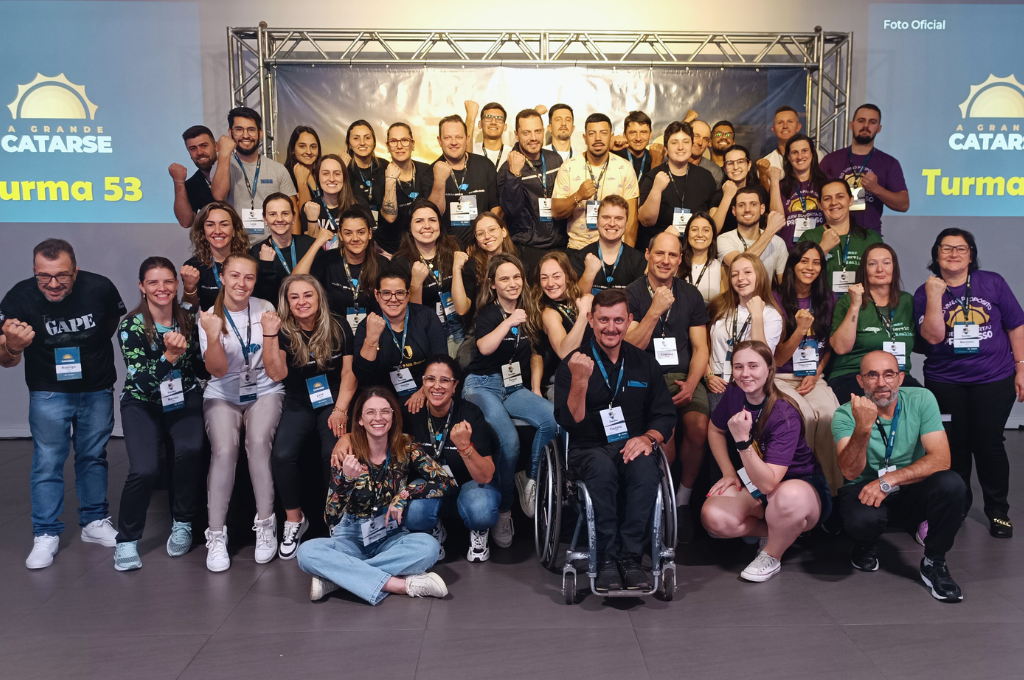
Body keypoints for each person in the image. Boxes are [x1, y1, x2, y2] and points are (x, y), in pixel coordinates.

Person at [0, 239, 125, 569]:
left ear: (76, 271)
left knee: (93, 456)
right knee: (47, 461)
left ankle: (94, 521)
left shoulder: (100, 288)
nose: (53, 284)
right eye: (44, 276)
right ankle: (45, 532)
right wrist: (13, 346)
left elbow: (110, 326)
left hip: (96, 387)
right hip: (49, 391)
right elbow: (5, 359)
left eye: (62, 276)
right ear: (34, 271)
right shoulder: (19, 297)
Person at [554, 289, 676, 592]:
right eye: (604, 320)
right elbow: (569, 421)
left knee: (646, 468)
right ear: (590, 320)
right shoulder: (573, 363)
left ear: (629, 320)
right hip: (589, 448)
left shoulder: (644, 363)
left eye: (619, 320)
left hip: (632, 444)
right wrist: (580, 380)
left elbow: (664, 414)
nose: (611, 327)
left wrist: (648, 438)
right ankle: (606, 558)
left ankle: (630, 558)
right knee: (601, 469)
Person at [297, 388, 457, 604]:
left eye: (385, 411)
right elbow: (330, 518)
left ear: (393, 416)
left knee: (429, 547)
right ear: (360, 419)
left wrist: (404, 494)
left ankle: (338, 578)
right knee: (306, 552)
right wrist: (347, 481)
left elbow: (447, 482)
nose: (378, 418)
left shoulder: (406, 446)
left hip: (390, 534)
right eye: (370, 412)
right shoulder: (346, 453)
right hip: (350, 537)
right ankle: (399, 585)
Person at [833, 350, 967, 603]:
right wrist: (863, 427)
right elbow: (850, 472)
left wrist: (889, 480)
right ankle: (866, 543)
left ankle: (934, 562)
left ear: (900, 378)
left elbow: (941, 459)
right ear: (860, 381)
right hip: (865, 489)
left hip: (907, 487)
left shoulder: (922, 399)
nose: (881, 383)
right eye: (872, 375)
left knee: (952, 484)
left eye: (889, 375)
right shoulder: (844, 413)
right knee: (861, 521)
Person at [915, 229, 1024, 537]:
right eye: (946, 248)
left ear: (971, 254)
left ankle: (998, 511)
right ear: (936, 254)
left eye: (961, 248)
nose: (954, 253)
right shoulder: (925, 292)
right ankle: (958, 506)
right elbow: (932, 337)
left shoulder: (992, 282)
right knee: (955, 446)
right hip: (945, 381)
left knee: (989, 444)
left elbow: (1016, 326)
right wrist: (934, 296)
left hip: (994, 378)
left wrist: (1022, 368)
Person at [701, 340, 830, 582]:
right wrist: (728, 472)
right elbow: (715, 429)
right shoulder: (735, 392)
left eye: (753, 366)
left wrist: (742, 442)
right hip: (757, 480)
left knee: (787, 496)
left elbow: (769, 484)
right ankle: (780, 532)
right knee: (714, 518)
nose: (745, 373)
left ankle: (771, 554)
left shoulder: (784, 413)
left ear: (769, 369)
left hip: (799, 486)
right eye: (738, 367)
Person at [111, 258, 204, 571]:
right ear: (142, 286)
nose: (161, 288)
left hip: (183, 396)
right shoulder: (131, 326)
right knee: (145, 470)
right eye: (153, 282)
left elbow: (199, 365)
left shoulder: (188, 316)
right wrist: (169, 356)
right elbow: (142, 382)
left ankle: (183, 522)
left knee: (190, 450)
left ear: (176, 284)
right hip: (142, 402)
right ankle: (126, 539)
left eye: (167, 281)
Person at [197, 254, 285, 572]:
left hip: (264, 389)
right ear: (222, 277)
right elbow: (218, 370)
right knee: (224, 450)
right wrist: (211, 334)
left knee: (259, 443)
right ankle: (216, 535)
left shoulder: (265, 308)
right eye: (234, 276)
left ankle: (265, 525)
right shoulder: (209, 316)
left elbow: (276, 371)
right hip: (223, 392)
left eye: (249, 277)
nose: (241, 283)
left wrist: (271, 334)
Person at [463, 254, 558, 544]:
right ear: (493, 285)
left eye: (517, 277)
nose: (512, 283)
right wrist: (509, 322)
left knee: (552, 419)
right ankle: (504, 510)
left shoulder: (529, 310)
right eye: (504, 278)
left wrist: (536, 389)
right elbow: (484, 347)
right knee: (509, 442)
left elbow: (536, 355)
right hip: (482, 385)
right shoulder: (488, 314)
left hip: (514, 385)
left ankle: (529, 478)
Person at [264, 274, 355, 559]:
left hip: (334, 399)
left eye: (307, 295)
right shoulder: (282, 330)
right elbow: (276, 373)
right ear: (287, 303)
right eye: (294, 297)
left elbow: (349, 374)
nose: (301, 302)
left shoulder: (338, 324)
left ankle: (337, 518)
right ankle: (295, 520)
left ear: (319, 298)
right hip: (298, 401)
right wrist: (269, 335)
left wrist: (341, 410)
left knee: (333, 453)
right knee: (282, 455)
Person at [625, 232, 711, 536]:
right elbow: (630, 347)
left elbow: (701, 348)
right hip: (645, 379)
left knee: (699, 428)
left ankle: (683, 500)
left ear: (680, 259)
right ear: (647, 254)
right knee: (667, 440)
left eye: (672, 255)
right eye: (659, 253)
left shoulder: (691, 294)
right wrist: (654, 310)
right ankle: (661, 503)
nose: (665, 260)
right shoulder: (633, 293)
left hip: (684, 377)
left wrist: (692, 382)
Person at [402, 355, 500, 562]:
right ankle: (433, 530)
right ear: (423, 383)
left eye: (445, 380)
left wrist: (465, 447)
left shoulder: (470, 414)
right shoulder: (411, 413)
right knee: (413, 514)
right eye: (430, 379)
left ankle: (479, 531)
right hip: (430, 484)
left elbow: (485, 476)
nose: (437, 386)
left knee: (482, 511)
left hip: (468, 483)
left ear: (455, 386)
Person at [772, 242, 843, 494]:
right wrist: (800, 329)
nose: (810, 267)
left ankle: (832, 491)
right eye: (804, 261)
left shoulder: (828, 298)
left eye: (816, 262)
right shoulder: (776, 298)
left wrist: (816, 373)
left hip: (813, 374)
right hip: (781, 376)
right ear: (792, 264)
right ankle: (804, 485)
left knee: (830, 415)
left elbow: (829, 346)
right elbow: (778, 358)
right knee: (804, 417)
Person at [829, 243, 922, 403]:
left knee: (923, 400)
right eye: (872, 264)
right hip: (853, 375)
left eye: (886, 263)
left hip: (897, 377)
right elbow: (841, 347)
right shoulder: (848, 301)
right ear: (864, 270)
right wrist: (855, 306)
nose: (880, 269)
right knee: (872, 404)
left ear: (894, 267)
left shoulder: (907, 301)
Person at [352, 265, 447, 405]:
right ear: (377, 295)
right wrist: (372, 338)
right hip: (383, 396)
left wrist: (424, 391)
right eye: (386, 293)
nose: (393, 299)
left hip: (423, 390)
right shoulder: (367, 325)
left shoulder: (426, 316)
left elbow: (441, 360)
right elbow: (363, 376)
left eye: (400, 293)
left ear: (408, 295)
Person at [705, 253, 785, 412]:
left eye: (747, 272)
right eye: (734, 274)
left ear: (760, 276)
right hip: (717, 381)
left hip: (751, 383)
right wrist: (708, 375)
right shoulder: (718, 306)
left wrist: (756, 316)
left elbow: (762, 357)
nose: (740, 278)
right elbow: (703, 345)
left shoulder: (771, 315)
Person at [393, 200, 471, 356]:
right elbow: (413, 316)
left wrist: (456, 269)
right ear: (409, 227)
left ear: (439, 224)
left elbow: (463, 309)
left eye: (432, 220)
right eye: (419, 221)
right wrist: (416, 283)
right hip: (425, 331)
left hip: (458, 327)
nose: (427, 226)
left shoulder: (456, 248)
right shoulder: (400, 262)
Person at [552, 113, 640, 250]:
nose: (598, 138)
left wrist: (627, 256)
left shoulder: (625, 167)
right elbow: (556, 212)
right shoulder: (569, 167)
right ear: (585, 138)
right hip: (578, 248)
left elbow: (632, 220)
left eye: (603, 133)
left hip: (615, 249)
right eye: (592, 133)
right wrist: (578, 196)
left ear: (610, 136)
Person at [211, 107, 298, 244]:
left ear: (260, 133)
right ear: (230, 133)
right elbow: (219, 197)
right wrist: (224, 153)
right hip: (235, 245)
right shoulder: (221, 165)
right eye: (239, 129)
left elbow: (293, 214)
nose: (245, 135)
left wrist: (295, 248)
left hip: (273, 245)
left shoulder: (278, 169)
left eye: (251, 129)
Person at [819, 104, 909, 236]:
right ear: (851, 125)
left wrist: (876, 189)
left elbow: (904, 205)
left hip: (869, 236)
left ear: (879, 128)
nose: (866, 126)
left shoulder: (889, 163)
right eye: (861, 121)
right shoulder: (830, 160)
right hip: (833, 234)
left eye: (872, 122)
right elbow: (815, 198)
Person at [498, 108, 567, 273]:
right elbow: (511, 210)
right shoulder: (507, 168)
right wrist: (514, 175)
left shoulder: (555, 159)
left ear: (543, 131)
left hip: (559, 246)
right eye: (526, 133)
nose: (533, 138)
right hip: (527, 249)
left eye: (537, 131)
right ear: (517, 135)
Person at [294, 207, 380, 335]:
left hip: (372, 333)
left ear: (370, 233)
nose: (355, 238)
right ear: (340, 234)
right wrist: (317, 243)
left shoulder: (382, 264)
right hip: (333, 333)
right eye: (348, 233)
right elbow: (294, 281)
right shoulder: (328, 260)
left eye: (361, 232)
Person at [637, 121, 717, 251]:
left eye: (686, 142)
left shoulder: (705, 177)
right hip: (661, 250)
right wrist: (657, 189)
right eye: (674, 142)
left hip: (695, 250)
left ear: (691, 145)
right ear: (666, 149)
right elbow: (646, 220)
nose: (681, 147)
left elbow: (713, 220)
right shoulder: (653, 177)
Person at [797, 179, 883, 296]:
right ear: (820, 205)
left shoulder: (870, 238)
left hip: (861, 304)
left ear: (851, 200)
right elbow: (796, 280)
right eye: (827, 199)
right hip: (820, 305)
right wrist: (822, 249)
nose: (834, 202)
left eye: (840, 197)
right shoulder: (809, 237)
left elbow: (882, 280)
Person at [530, 251, 593, 398]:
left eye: (556, 276)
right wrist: (583, 316)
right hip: (561, 382)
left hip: (591, 374)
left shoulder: (580, 300)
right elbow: (565, 353)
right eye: (544, 278)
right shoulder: (548, 313)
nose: (550, 283)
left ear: (568, 276)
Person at [431, 114, 500, 248]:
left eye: (459, 137)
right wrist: (439, 181)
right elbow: (432, 215)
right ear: (439, 140)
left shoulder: (485, 165)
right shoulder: (430, 172)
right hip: (445, 248)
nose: (454, 142)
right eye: (447, 137)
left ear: (467, 139)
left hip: (483, 246)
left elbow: (496, 207)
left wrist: (486, 238)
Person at [376, 122, 441, 255]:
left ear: (413, 144)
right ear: (388, 146)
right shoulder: (379, 176)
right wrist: (390, 180)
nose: (399, 146)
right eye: (393, 141)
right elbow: (389, 217)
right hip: (391, 250)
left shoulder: (426, 170)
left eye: (404, 140)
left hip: (422, 247)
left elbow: (436, 211)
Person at [182, 202, 253, 313]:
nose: (218, 231)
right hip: (212, 323)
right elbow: (189, 310)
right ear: (203, 230)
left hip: (249, 322)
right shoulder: (194, 266)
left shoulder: (251, 261)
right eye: (210, 225)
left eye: (224, 224)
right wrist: (189, 287)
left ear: (234, 229)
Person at [569, 195, 646, 296]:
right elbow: (576, 300)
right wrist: (589, 273)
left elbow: (639, 301)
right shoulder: (579, 258)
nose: (612, 223)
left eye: (618, 218)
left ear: (626, 224)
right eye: (606, 217)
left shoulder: (639, 261)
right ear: (597, 221)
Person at [250, 193, 317, 303]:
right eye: (273, 214)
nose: (280, 219)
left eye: (285, 213)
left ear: (293, 217)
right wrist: (266, 266)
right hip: (275, 311)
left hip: (307, 308)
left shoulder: (309, 245)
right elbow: (260, 297)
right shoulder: (257, 252)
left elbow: (320, 286)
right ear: (265, 219)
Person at [715, 187, 788, 283]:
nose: (747, 210)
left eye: (753, 204)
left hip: (766, 293)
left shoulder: (777, 242)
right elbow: (740, 266)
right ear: (734, 211)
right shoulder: (724, 239)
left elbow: (784, 284)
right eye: (741, 205)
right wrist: (770, 230)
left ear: (762, 209)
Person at [769, 133, 828, 246]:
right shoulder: (780, 186)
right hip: (790, 250)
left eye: (804, 151)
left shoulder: (825, 184)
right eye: (794, 152)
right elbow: (777, 224)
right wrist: (774, 183)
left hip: (821, 247)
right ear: (788, 157)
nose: (800, 156)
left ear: (812, 153)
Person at [300, 154, 371, 239]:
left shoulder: (359, 204)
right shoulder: (309, 207)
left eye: (337, 174)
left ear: (344, 177)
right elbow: (310, 245)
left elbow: (369, 240)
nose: (331, 179)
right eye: (325, 174)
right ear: (318, 177)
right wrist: (312, 220)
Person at [450, 211, 506, 318]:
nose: (487, 236)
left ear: (503, 232)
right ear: (476, 240)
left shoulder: (518, 264)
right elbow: (461, 310)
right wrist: (456, 268)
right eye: (480, 233)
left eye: (492, 229)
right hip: (481, 325)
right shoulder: (471, 268)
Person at [170, 125, 217, 229]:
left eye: (204, 146)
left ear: (216, 146)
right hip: (215, 237)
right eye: (193, 149)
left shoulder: (236, 171)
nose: (199, 152)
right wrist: (178, 181)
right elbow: (186, 222)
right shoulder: (193, 184)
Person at [709, 145, 760, 235]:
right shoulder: (719, 196)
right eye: (730, 163)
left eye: (740, 162)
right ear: (725, 168)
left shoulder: (759, 192)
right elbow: (712, 230)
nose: (735, 167)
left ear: (749, 165)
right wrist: (727, 196)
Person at [757, 105, 818, 179]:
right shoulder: (767, 163)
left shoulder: (816, 156)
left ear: (798, 127)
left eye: (790, 122)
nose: (785, 126)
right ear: (773, 129)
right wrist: (763, 175)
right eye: (780, 123)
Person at [678, 212, 725, 304]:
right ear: (687, 234)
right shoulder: (676, 263)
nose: (700, 234)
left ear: (713, 235)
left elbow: (724, 305)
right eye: (694, 230)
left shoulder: (721, 268)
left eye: (706, 230)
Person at [346, 120, 385, 223]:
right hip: (354, 228)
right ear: (349, 144)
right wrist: (342, 171)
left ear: (374, 142)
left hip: (384, 228)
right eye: (356, 138)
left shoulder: (385, 166)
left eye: (367, 138)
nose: (362, 143)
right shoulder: (344, 169)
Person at [611, 111, 663, 180]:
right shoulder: (613, 155)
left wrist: (656, 164)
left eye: (643, 132)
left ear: (650, 135)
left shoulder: (656, 157)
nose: (638, 138)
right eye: (633, 132)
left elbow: (656, 186)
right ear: (625, 135)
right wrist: (607, 148)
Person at [284, 125, 322, 216]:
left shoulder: (322, 175)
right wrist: (302, 183)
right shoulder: (285, 176)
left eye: (313, 147)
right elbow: (304, 215)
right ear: (293, 149)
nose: (308, 152)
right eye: (302, 146)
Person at [470, 102, 510, 167]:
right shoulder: (472, 150)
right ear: (480, 124)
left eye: (499, 119)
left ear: (505, 127)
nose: (493, 122)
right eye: (488, 118)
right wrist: (470, 115)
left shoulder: (512, 153)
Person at [688, 120, 724, 187]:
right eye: (696, 136)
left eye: (705, 139)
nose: (700, 142)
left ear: (708, 143)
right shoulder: (670, 163)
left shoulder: (713, 171)